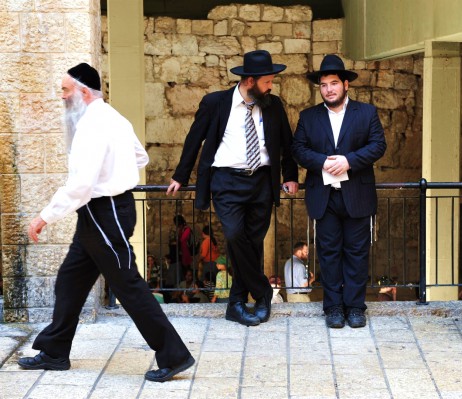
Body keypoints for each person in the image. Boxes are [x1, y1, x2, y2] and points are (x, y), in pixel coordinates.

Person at [17, 63, 194, 382]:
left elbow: (81, 185)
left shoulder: (92, 125)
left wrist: (44, 216)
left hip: (105, 212)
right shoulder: (114, 118)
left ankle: (174, 355)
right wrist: (116, 170)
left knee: (128, 286)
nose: (62, 97)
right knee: (70, 279)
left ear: (83, 92)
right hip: (101, 213)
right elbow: (141, 157)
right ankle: (55, 351)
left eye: (65, 90)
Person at [167, 50, 299, 326]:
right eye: (267, 81)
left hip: (262, 181)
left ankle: (236, 303)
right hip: (226, 181)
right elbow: (194, 139)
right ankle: (263, 292)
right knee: (235, 234)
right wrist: (180, 175)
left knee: (252, 242)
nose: (271, 86)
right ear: (250, 81)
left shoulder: (273, 105)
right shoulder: (216, 103)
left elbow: (287, 144)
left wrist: (290, 175)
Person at [292, 54, 387, 329]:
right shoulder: (308, 117)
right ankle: (333, 307)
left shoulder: (366, 112)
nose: (328, 89)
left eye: (334, 83)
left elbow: (378, 145)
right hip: (324, 196)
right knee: (329, 254)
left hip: (357, 194)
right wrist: (322, 161)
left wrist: (349, 161)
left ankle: (355, 307)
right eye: (323, 85)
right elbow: (298, 149)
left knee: (357, 253)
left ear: (346, 85)